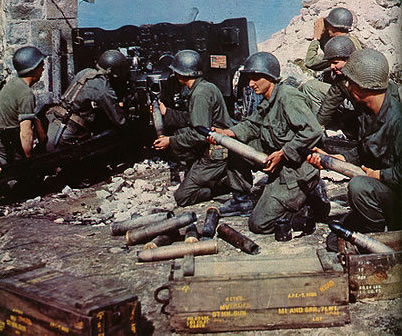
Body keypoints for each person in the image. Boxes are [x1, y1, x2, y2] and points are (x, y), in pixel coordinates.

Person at [210, 51, 329, 234]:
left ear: (270, 77)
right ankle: (242, 201)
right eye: (250, 78)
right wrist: (227, 134)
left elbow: (313, 130)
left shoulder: (288, 97)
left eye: (256, 78)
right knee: (235, 148)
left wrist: (283, 153)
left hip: (295, 170)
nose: (251, 84)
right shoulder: (267, 100)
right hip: (277, 161)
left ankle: (308, 202)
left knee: (258, 225)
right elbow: (252, 125)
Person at [306, 49, 401, 250]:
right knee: (335, 241)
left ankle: (380, 238)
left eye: (351, 82)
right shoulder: (367, 114)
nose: (347, 86)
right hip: (387, 192)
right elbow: (363, 150)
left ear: (362, 87)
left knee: (359, 186)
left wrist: (379, 175)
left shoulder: (397, 119)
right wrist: (335, 158)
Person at [153, 49, 252, 208]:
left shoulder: (200, 94)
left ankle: (220, 183)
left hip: (216, 151)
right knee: (181, 134)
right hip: (218, 145)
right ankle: (218, 175)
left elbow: (199, 133)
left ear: (181, 75)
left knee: (182, 197)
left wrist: (170, 141)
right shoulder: (205, 88)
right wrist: (167, 113)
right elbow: (193, 119)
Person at [47, 49, 129, 149]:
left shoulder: (85, 73)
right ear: (110, 70)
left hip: (58, 119)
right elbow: (119, 120)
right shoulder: (102, 88)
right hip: (68, 130)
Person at [0, 46, 48, 165]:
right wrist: (28, 161)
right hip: (9, 143)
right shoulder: (26, 93)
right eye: (41, 65)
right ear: (33, 68)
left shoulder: (12, 83)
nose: (43, 68)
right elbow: (26, 132)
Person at [305, 7, 361, 71]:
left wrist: (316, 39)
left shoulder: (339, 46)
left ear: (333, 28)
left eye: (328, 25)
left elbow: (310, 62)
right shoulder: (353, 40)